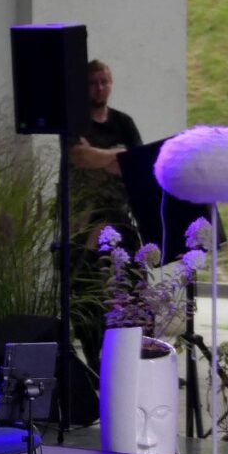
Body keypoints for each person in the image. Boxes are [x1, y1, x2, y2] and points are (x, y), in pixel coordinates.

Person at [69, 59, 143, 374]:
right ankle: (96, 362)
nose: (100, 88)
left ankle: (135, 357)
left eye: (104, 82)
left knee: (134, 285)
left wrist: (108, 157)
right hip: (83, 221)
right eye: (93, 83)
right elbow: (80, 157)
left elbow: (137, 163)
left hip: (120, 218)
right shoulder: (75, 124)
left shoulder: (124, 122)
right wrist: (117, 156)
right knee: (87, 293)